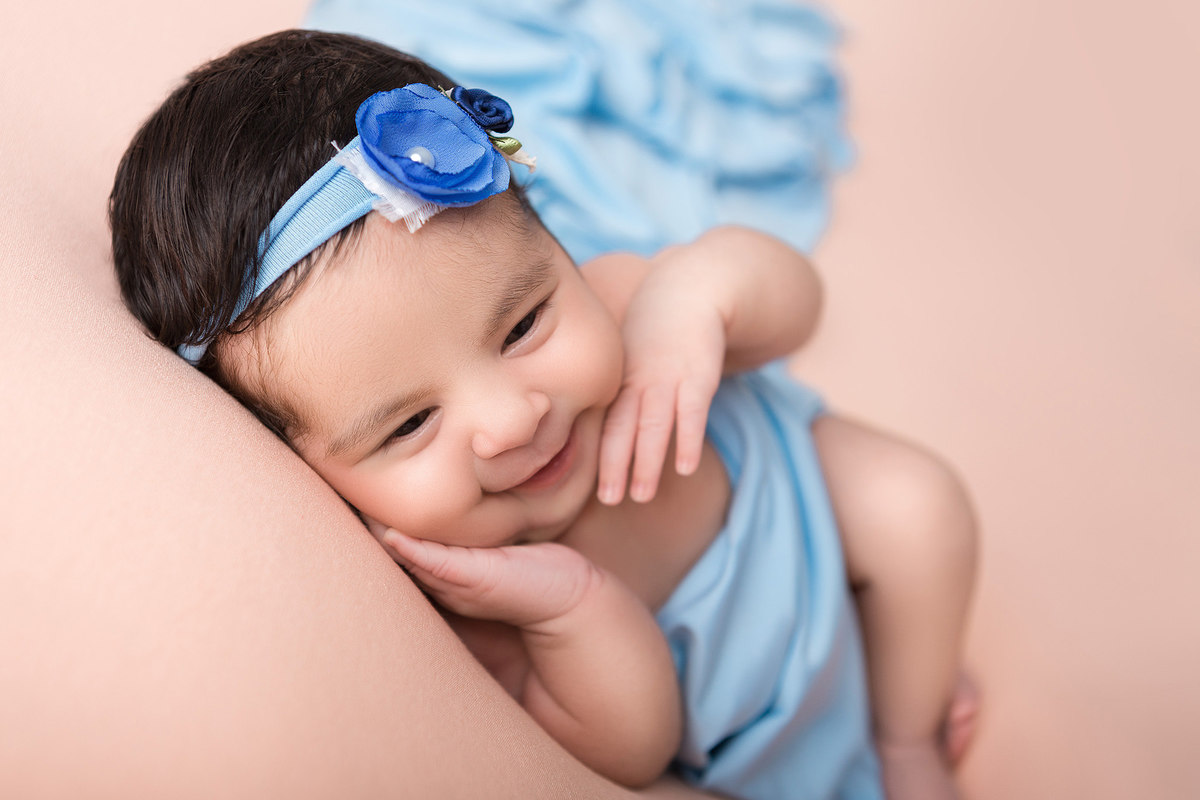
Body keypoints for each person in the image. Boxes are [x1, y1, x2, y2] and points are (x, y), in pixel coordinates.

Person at [110, 30, 978, 800]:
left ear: (550, 239)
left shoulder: (630, 301)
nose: (511, 420)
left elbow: (798, 304)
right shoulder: (472, 598)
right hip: (741, 735)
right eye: (408, 426)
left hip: (814, 516)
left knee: (918, 506)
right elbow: (635, 751)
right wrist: (571, 609)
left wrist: (699, 296)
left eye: (523, 325)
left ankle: (906, 735)